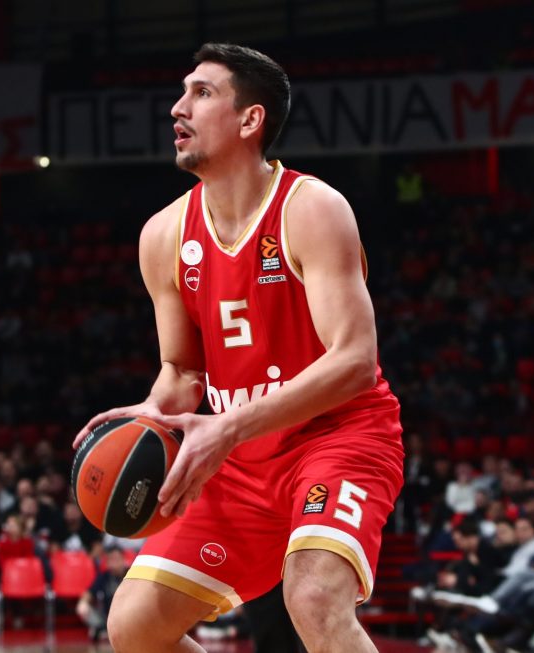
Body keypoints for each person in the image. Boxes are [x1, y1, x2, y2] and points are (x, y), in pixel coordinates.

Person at [73, 43, 405, 653]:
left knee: (313, 598)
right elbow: (181, 370)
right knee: (133, 626)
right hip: (241, 459)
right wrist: (154, 411)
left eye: (201, 93)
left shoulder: (312, 208)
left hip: (336, 439)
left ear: (251, 120)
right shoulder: (163, 235)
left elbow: (356, 362)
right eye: (182, 92)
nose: (178, 108)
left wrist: (225, 427)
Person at [76, 546, 129, 642]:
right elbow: (89, 593)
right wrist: (83, 602)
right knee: (83, 608)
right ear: (107, 562)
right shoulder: (103, 577)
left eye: (117, 559)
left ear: (123, 560)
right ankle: (102, 630)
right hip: (106, 617)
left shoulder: (131, 574)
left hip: (128, 615)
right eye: (111, 559)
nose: (114, 563)